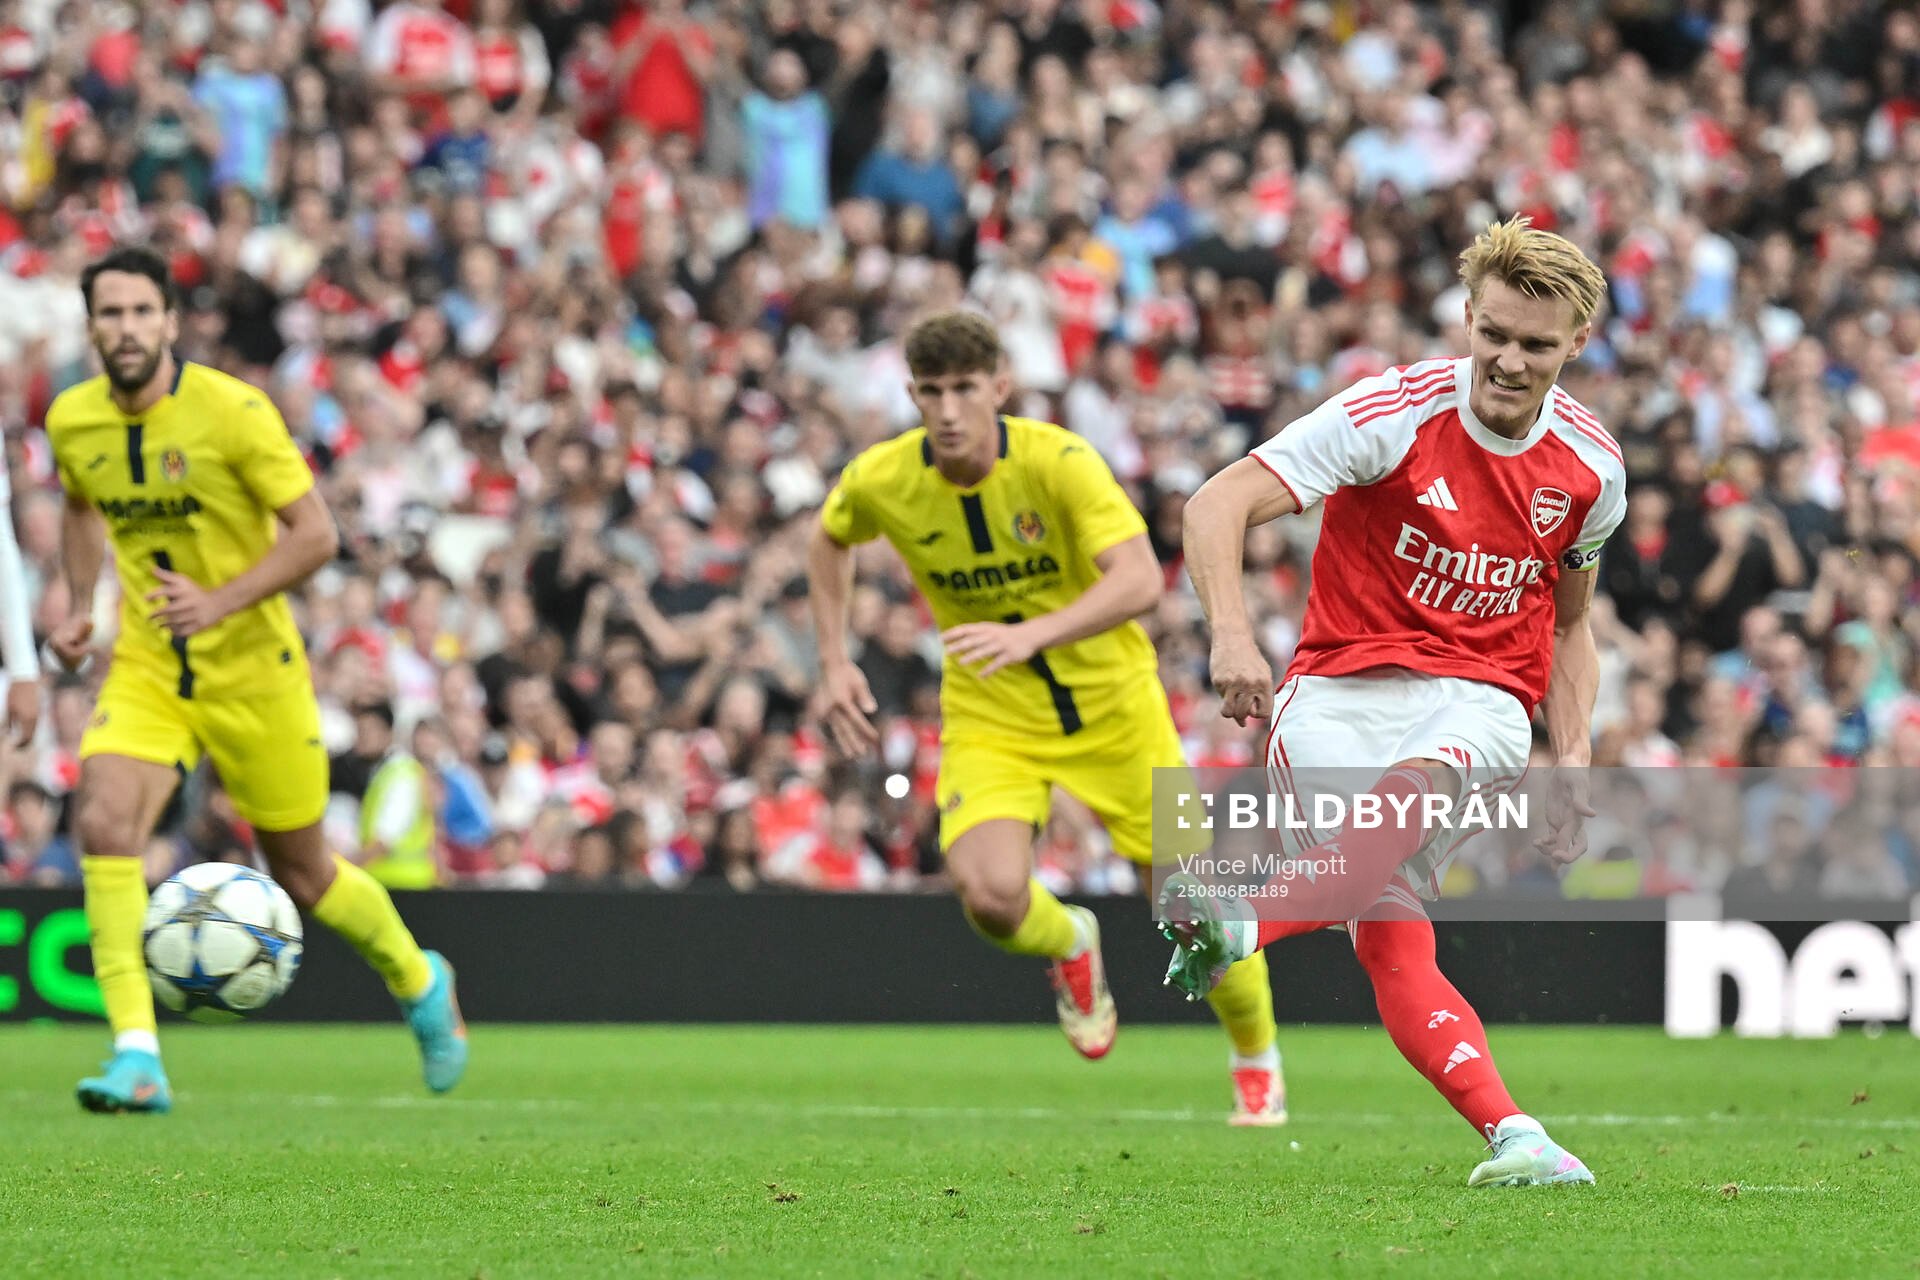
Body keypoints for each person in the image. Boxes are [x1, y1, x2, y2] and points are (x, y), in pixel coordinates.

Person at [1161, 217, 1625, 1181]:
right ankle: (1518, 1137)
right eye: (1492, 332)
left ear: (1575, 345)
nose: (1506, 358)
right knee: (1388, 939)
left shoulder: (1591, 470)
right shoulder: (1392, 412)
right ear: (1467, 316)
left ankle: (1242, 918)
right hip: (1337, 689)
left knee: (1388, 820)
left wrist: (1573, 758)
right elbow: (1216, 503)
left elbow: (1570, 625)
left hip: (1481, 698)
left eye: (1535, 344)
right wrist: (1233, 635)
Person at [809, 310, 1286, 1125]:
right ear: (913, 396)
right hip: (993, 716)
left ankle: (1254, 1055)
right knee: (991, 895)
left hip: (1119, 710)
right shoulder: (883, 477)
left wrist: (1029, 632)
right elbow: (828, 539)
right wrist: (832, 659)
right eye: (933, 392)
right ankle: (1071, 943)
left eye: (966, 388)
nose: (950, 409)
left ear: (1001, 386)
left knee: (1194, 910)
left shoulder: (1061, 461)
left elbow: (1140, 581)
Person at [46, 247, 467, 1114]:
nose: (124, 329)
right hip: (153, 663)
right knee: (103, 816)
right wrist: (82, 602)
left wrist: (220, 600)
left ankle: (420, 979)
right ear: (91, 327)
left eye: (139, 312)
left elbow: (316, 535)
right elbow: (85, 506)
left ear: (170, 322)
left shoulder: (234, 412)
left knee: (307, 873)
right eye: (109, 314)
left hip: (256, 669)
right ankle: (136, 1054)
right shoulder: (73, 421)